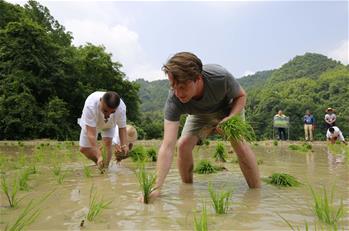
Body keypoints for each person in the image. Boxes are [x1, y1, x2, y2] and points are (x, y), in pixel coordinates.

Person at [147, 52, 261, 201]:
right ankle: (187, 189)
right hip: (198, 115)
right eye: (173, 86)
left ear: (198, 78)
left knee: (239, 144)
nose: (178, 93)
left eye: (182, 86)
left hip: (228, 108)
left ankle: (257, 193)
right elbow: (167, 146)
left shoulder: (220, 77)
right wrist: (157, 187)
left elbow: (241, 96)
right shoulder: (174, 100)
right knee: (182, 145)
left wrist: (230, 118)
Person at [78, 91, 128, 170]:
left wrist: (124, 146)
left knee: (107, 143)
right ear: (101, 100)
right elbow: (91, 134)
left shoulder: (121, 108)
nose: (108, 115)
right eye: (105, 110)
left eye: (112, 112)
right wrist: (99, 156)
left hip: (110, 124)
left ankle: (105, 168)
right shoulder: (90, 105)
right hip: (92, 123)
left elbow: (122, 128)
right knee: (84, 148)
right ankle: (100, 162)